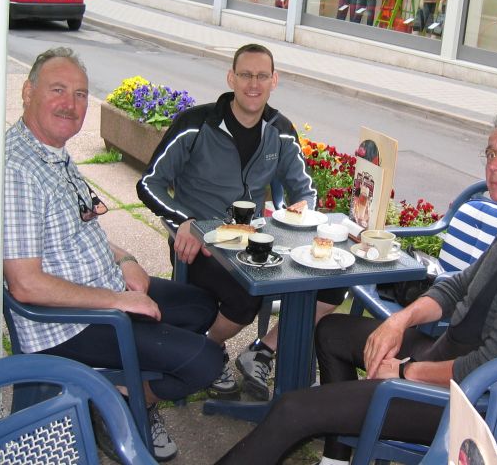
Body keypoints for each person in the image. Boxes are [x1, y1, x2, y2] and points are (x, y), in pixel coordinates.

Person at [215, 106, 497, 465]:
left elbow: (494, 365)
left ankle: (349, 423)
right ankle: (337, 457)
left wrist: (407, 373)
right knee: (331, 331)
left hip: (465, 402)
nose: (494, 163)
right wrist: (398, 321)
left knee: (293, 409)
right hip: (443, 357)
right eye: (491, 152)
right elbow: (455, 287)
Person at [0, 47, 224, 461]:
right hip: (68, 325)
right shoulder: (15, 173)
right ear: (27, 92)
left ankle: (121, 392)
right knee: (205, 363)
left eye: (81, 94)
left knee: (199, 307)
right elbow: (26, 284)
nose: (71, 105)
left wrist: (125, 259)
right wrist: (119, 301)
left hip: (100, 286)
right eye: (58, 90)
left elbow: (83, 222)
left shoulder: (50, 153)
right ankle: (121, 400)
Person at [137, 43, 347, 402]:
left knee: (330, 287)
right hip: (202, 245)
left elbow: (304, 190)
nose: (254, 84)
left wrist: (300, 209)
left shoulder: (280, 130)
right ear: (231, 78)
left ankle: (262, 351)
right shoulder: (195, 125)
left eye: (262, 76)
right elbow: (148, 183)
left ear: (274, 80)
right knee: (244, 296)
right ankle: (209, 349)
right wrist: (184, 222)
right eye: (246, 75)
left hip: (256, 244)